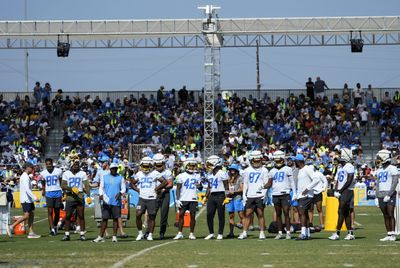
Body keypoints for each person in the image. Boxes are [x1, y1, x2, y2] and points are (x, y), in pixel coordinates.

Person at [131, 157, 167, 241]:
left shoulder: (155, 173)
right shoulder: (139, 174)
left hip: (152, 198)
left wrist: (157, 188)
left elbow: (165, 182)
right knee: (138, 214)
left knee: (151, 217)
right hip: (142, 198)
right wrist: (138, 190)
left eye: (147, 166)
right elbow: (132, 184)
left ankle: (150, 234)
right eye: (144, 166)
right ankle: (140, 233)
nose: (145, 168)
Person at [238, 150, 270, 240]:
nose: (256, 162)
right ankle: (244, 232)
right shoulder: (247, 170)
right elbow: (246, 183)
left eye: (258, 160)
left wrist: (265, 194)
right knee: (248, 214)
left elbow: (266, 183)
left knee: (260, 214)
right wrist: (244, 195)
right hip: (250, 195)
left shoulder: (264, 170)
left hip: (260, 195)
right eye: (254, 160)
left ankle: (262, 232)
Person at [93, 163, 126, 243]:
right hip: (106, 200)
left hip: (116, 201)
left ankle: (114, 236)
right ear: (110, 169)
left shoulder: (120, 178)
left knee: (115, 219)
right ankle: (100, 236)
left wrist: (120, 193)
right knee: (104, 219)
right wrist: (101, 194)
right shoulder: (104, 177)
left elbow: (124, 188)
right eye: (112, 168)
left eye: (115, 168)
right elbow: (101, 187)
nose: (114, 170)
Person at [7, 162, 41, 239]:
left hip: (28, 199)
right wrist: (35, 198)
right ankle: (12, 227)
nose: (32, 169)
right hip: (26, 199)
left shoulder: (26, 176)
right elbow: (27, 190)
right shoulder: (25, 177)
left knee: (31, 214)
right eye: (31, 168)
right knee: (27, 215)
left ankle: (31, 232)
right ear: (27, 167)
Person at [329, 148, 356, 241]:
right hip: (342, 191)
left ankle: (337, 233)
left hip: (347, 191)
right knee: (345, 213)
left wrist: (340, 191)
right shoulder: (340, 167)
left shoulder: (349, 166)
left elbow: (349, 180)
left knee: (341, 211)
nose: (338, 156)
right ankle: (350, 233)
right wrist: (336, 190)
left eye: (340, 154)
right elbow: (337, 181)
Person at [268, 150, 295, 240]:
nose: (278, 162)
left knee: (286, 213)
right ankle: (280, 232)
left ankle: (288, 232)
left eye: (279, 160)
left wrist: (294, 193)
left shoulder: (288, 169)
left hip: (285, 193)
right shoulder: (272, 171)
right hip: (275, 194)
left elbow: (292, 182)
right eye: (276, 160)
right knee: (278, 214)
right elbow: (269, 183)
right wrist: (262, 187)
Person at [173, 158, 202, 240]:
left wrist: (199, 185)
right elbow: (178, 188)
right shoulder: (181, 176)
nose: (192, 167)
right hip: (183, 198)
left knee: (193, 216)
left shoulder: (197, 176)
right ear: (186, 166)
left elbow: (200, 188)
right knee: (181, 215)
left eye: (193, 166)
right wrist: (178, 199)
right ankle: (179, 233)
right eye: (190, 166)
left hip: (193, 198)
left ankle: (191, 233)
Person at [61, 160, 90, 241]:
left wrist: (88, 196)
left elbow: (86, 185)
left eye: (77, 164)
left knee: (81, 216)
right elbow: (63, 185)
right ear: (71, 165)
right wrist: (71, 188)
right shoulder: (66, 173)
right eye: (74, 164)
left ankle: (82, 234)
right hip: (70, 196)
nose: (76, 166)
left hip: (80, 196)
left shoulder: (82, 173)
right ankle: (67, 234)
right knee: (68, 216)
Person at [374, 150, 399, 241]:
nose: (378, 160)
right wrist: (376, 196)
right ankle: (388, 234)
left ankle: (393, 234)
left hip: (390, 193)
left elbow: (395, 182)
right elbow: (377, 183)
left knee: (390, 213)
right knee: (385, 215)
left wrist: (389, 194)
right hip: (381, 193)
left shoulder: (392, 168)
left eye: (380, 158)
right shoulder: (380, 169)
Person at [204, 155, 229, 240]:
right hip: (212, 195)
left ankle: (220, 233)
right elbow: (209, 186)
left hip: (220, 195)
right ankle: (211, 233)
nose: (208, 166)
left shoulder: (222, 173)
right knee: (209, 214)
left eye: (209, 164)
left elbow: (226, 186)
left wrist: (227, 196)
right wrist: (205, 196)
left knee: (220, 215)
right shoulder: (209, 174)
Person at [295, 154, 319, 240]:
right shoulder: (301, 170)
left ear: (298, 161)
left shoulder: (307, 169)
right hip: (302, 195)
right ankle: (307, 234)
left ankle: (303, 234)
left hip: (306, 196)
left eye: (295, 161)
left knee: (302, 214)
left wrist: (308, 188)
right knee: (305, 215)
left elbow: (316, 179)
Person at [152, 153, 174, 240]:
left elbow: (170, 184)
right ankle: (148, 232)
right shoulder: (152, 172)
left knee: (164, 214)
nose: (159, 166)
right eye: (157, 165)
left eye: (160, 164)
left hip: (165, 194)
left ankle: (162, 232)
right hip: (154, 194)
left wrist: (161, 188)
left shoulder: (167, 172)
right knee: (152, 214)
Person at [40, 158, 63, 236]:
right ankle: (52, 228)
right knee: (50, 211)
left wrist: (62, 192)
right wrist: (44, 191)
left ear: (52, 163)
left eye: (50, 164)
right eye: (47, 164)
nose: (48, 165)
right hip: (49, 193)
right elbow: (43, 183)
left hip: (57, 192)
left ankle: (55, 226)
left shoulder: (58, 171)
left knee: (57, 212)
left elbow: (61, 181)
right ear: (45, 165)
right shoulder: (43, 173)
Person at [226, 164, 244, 238]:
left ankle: (244, 231)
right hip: (230, 198)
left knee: (241, 215)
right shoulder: (228, 178)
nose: (232, 171)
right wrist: (228, 191)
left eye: (233, 170)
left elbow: (242, 188)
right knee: (231, 215)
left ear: (236, 171)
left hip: (237, 197)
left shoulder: (240, 178)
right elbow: (227, 187)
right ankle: (231, 233)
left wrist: (235, 192)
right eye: (231, 170)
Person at [309, 163, 328, 230]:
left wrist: (323, 188)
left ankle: (322, 224)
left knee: (319, 209)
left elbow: (325, 181)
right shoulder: (309, 174)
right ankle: (310, 224)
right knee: (310, 209)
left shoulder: (319, 174)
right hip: (310, 193)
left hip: (318, 192)